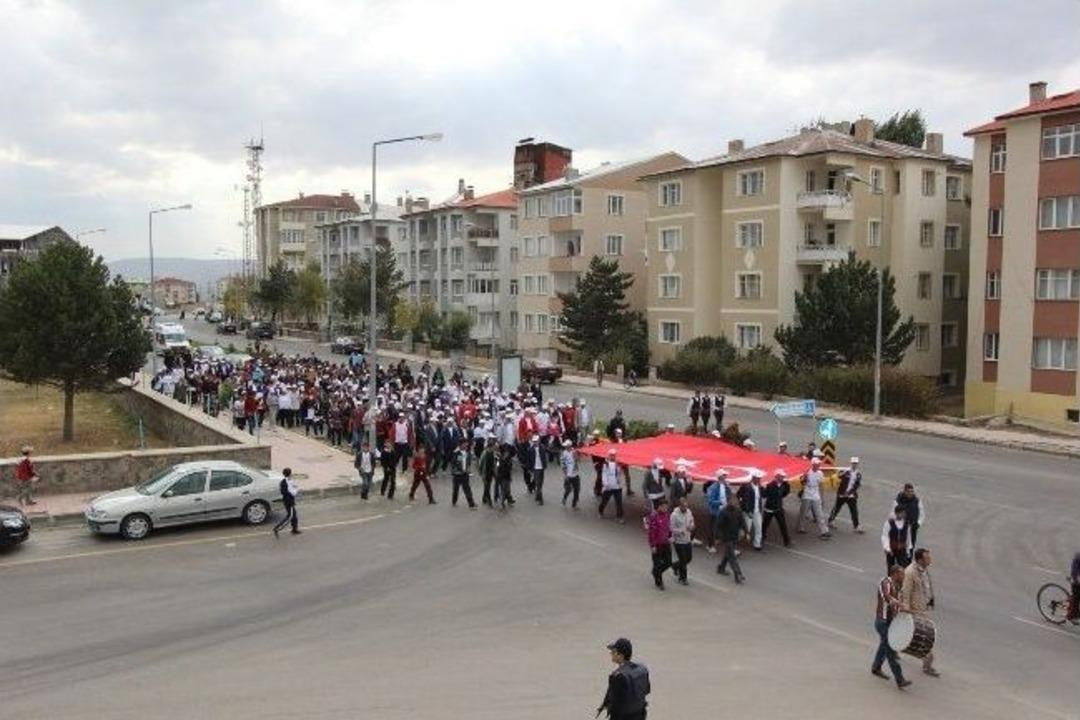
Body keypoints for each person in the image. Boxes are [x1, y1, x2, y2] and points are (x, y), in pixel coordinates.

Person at [900, 548, 939, 677]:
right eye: (927, 558)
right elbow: (906, 592)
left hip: (922, 608)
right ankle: (927, 664)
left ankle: (892, 650)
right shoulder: (910, 572)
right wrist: (907, 610)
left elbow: (926, 585)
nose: (930, 559)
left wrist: (930, 599)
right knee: (925, 637)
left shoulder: (923, 570)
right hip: (914, 610)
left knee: (911, 636)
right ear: (920, 560)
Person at [871, 565, 912, 689]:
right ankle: (900, 679)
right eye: (901, 574)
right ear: (895, 574)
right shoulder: (885, 583)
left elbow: (896, 606)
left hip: (889, 622)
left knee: (884, 645)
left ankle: (876, 667)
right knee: (891, 651)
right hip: (882, 621)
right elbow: (886, 597)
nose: (903, 576)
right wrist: (900, 604)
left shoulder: (897, 586)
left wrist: (904, 610)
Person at [597, 638, 650, 720]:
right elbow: (646, 691)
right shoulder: (641, 670)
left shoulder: (618, 677)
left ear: (621, 656)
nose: (611, 653)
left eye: (613, 652)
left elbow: (616, 709)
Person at [796, 457, 831, 539]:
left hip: (815, 495)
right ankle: (800, 527)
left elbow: (821, 485)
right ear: (813, 464)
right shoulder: (807, 472)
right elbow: (802, 482)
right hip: (807, 494)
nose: (818, 465)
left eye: (819, 464)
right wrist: (804, 477)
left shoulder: (820, 473)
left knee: (819, 513)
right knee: (803, 512)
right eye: (816, 464)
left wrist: (822, 497)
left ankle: (824, 531)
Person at [828, 456, 863, 533]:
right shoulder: (845, 471)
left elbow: (857, 485)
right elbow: (838, 477)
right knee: (836, 508)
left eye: (856, 463)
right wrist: (841, 473)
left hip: (851, 496)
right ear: (851, 463)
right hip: (841, 494)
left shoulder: (858, 474)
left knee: (854, 511)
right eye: (853, 463)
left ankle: (856, 526)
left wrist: (849, 493)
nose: (854, 464)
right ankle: (830, 521)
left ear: (857, 464)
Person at [715, 495, 745, 584]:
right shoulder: (723, 512)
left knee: (728, 554)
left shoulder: (738, 511)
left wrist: (745, 531)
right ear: (728, 502)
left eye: (736, 501)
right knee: (732, 557)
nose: (735, 503)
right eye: (733, 501)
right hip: (726, 537)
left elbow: (742, 522)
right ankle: (738, 574)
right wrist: (717, 537)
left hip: (734, 536)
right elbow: (718, 526)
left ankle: (721, 568)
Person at [646, 497, 674, 590]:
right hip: (657, 544)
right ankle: (659, 582)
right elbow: (651, 533)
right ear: (659, 507)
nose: (666, 509)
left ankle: (655, 572)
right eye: (664, 507)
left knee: (668, 562)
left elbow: (668, 527)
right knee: (657, 564)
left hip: (666, 543)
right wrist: (653, 545)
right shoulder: (654, 516)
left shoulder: (667, 515)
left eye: (667, 507)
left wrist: (670, 536)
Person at [762, 469, 792, 547]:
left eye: (783, 476)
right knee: (765, 525)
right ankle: (761, 538)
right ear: (777, 476)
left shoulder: (784, 485)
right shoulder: (770, 485)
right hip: (769, 508)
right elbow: (765, 495)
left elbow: (785, 493)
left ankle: (787, 541)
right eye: (781, 476)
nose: (783, 478)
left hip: (778, 508)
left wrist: (787, 486)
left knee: (783, 526)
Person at [670, 495, 695, 585]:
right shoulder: (674, 515)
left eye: (686, 506)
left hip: (687, 539)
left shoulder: (689, 512)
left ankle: (675, 566)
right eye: (683, 506)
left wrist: (692, 526)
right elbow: (672, 528)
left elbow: (692, 521)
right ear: (680, 506)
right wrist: (680, 531)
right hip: (678, 541)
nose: (685, 508)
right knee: (683, 560)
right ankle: (683, 578)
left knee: (689, 558)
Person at [738, 469, 765, 550]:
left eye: (760, 478)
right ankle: (736, 541)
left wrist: (762, 488)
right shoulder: (746, 486)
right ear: (753, 478)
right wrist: (746, 509)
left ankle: (757, 544)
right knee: (746, 529)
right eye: (758, 478)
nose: (759, 480)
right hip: (748, 511)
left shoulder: (759, 487)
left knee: (759, 528)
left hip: (757, 511)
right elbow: (741, 496)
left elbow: (763, 495)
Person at [881, 505, 913, 573]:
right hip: (892, 549)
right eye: (902, 513)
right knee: (891, 567)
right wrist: (887, 548)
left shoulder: (907, 524)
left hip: (902, 549)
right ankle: (891, 581)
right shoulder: (889, 523)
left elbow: (908, 537)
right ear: (897, 513)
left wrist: (908, 550)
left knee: (904, 567)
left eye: (904, 513)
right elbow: (885, 536)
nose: (903, 514)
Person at [704, 469, 729, 553]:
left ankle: (726, 546)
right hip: (714, 512)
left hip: (723, 511)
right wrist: (720, 502)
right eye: (724, 475)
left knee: (723, 528)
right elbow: (710, 501)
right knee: (712, 529)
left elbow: (728, 495)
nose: (726, 477)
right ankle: (710, 545)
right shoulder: (713, 487)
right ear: (720, 477)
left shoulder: (725, 486)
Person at [272, 467, 301, 537]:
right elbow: (288, 492)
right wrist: (293, 493)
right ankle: (277, 528)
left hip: (288, 501)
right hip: (289, 501)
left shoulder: (285, 481)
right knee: (290, 516)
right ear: (290, 473)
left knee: (294, 516)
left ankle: (294, 529)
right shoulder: (286, 482)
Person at [450, 437, 477, 509]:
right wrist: (458, 470)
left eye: (467, 443)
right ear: (461, 444)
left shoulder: (467, 452)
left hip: (465, 474)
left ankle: (471, 504)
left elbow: (468, 462)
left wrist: (468, 469)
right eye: (465, 444)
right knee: (456, 489)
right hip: (457, 475)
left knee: (467, 489)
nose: (466, 445)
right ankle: (454, 501)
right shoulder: (456, 453)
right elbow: (454, 464)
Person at [599, 449, 625, 522]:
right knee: (604, 501)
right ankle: (601, 511)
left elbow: (620, 474)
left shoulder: (618, 463)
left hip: (617, 486)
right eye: (611, 455)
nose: (612, 457)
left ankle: (620, 516)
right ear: (609, 455)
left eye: (614, 455)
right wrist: (606, 484)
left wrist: (620, 466)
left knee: (619, 502)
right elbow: (604, 474)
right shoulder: (605, 464)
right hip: (608, 486)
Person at [560, 439, 581, 509]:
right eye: (565, 446)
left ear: (570, 446)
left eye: (566, 446)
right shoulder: (563, 453)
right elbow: (562, 464)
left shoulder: (574, 452)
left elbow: (578, 460)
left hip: (575, 474)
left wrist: (576, 456)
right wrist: (565, 474)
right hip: (568, 475)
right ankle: (564, 498)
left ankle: (574, 504)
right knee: (568, 489)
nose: (565, 447)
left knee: (577, 490)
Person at [528, 434, 546, 505]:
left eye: (537, 441)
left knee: (541, 483)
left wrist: (545, 465)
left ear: (539, 441)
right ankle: (540, 500)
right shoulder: (531, 450)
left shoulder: (542, 448)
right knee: (538, 484)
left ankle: (537, 496)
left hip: (542, 468)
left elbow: (544, 457)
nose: (535, 442)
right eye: (534, 441)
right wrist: (530, 469)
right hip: (535, 468)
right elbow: (529, 460)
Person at [479, 438, 498, 507]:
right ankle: (489, 501)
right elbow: (480, 463)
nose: (494, 448)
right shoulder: (484, 453)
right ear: (490, 447)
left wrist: (497, 468)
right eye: (493, 447)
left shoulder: (494, 453)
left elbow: (496, 462)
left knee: (488, 486)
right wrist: (480, 472)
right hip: (485, 472)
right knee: (487, 486)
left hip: (492, 472)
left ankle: (484, 498)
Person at [496, 444, 516, 509]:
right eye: (506, 452)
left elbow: (510, 468)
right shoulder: (499, 459)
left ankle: (509, 500)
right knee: (503, 490)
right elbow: (497, 468)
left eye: (508, 452)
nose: (507, 453)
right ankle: (501, 503)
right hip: (502, 477)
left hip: (507, 476)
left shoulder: (508, 459)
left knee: (507, 490)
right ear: (503, 452)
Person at [1067, 551, 1080, 624]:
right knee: (1076, 597)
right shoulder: (1078, 557)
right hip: (1076, 577)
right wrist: (1076, 579)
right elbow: (1074, 571)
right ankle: (1072, 616)